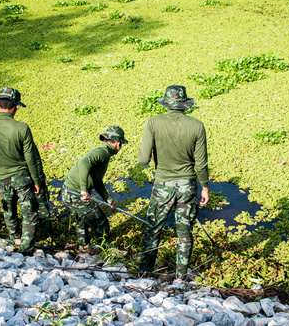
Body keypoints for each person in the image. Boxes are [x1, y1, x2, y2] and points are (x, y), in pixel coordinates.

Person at [138, 85, 209, 278]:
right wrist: (205, 187)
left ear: (166, 103)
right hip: (188, 186)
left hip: (163, 185)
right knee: (184, 232)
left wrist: (144, 147)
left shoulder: (153, 122)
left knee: (154, 229)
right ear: (185, 104)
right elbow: (201, 163)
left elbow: (143, 160)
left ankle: (144, 273)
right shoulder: (197, 125)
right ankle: (181, 276)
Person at [0, 87, 42, 254]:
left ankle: (15, 238)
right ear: (16, 106)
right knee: (29, 211)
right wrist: (36, 181)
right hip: (22, 178)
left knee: (9, 209)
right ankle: (27, 247)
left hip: (1, 178)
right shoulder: (22, 128)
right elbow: (30, 159)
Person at [61, 126, 128, 249]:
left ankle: (84, 247)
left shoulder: (104, 151)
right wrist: (84, 190)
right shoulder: (103, 152)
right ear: (118, 144)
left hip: (69, 192)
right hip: (74, 193)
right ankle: (105, 249)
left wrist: (108, 200)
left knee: (82, 221)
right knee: (101, 221)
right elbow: (83, 163)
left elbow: (97, 182)